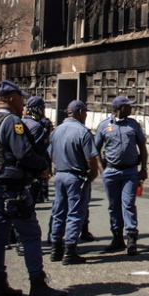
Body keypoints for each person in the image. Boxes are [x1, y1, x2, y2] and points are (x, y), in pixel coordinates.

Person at [0, 80, 66, 296]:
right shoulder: (12, 122)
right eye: (20, 98)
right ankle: (38, 284)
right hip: (12, 188)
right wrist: (42, 166)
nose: (23, 102)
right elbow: (24, 153)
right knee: (30, 235)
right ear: (10, 99)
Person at [94, 95, 148, 255]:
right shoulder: (104, 126)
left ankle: (131, 238)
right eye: (128, 106)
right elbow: (95, 149)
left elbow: (142, 148)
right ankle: (117, 237)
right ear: (119, 108)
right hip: (110, 171)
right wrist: (100, 170)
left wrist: (144, 168)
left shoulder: (133, 125)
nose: (131, 108)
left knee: (129, 204)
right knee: (113, 206)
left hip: (130, 171)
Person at [49, 100, 100, 265]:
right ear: (79, 113)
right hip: (76, 177)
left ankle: (56, 248)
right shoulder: (83, 132)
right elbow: (91, 159)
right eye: (85, 112)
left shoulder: (56, 131)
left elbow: (50, 154)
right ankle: (70, 250)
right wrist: (92, 175)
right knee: (75, 213)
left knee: (58, 211)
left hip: (60, 175)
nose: (86, 115)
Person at [23, 96, 51, 204]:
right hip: (32, 172)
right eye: (43, 108)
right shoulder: (36, 126)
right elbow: (39, 150)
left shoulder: (21, 122)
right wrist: (44, 166)